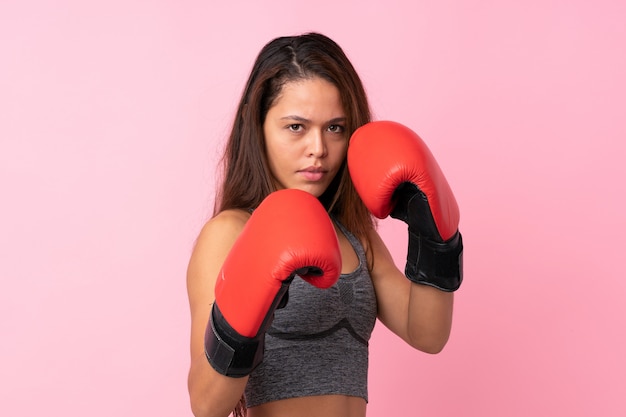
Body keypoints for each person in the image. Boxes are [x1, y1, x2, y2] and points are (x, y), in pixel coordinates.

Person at [186, 32, 463, 417]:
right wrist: (240, 323)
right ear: (259, 126)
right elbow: (205, 404)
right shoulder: (229, 233)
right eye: (296, 127)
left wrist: (435, 237)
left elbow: (427, 334)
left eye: (334, 127)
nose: (318, 148)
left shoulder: (353, 235)